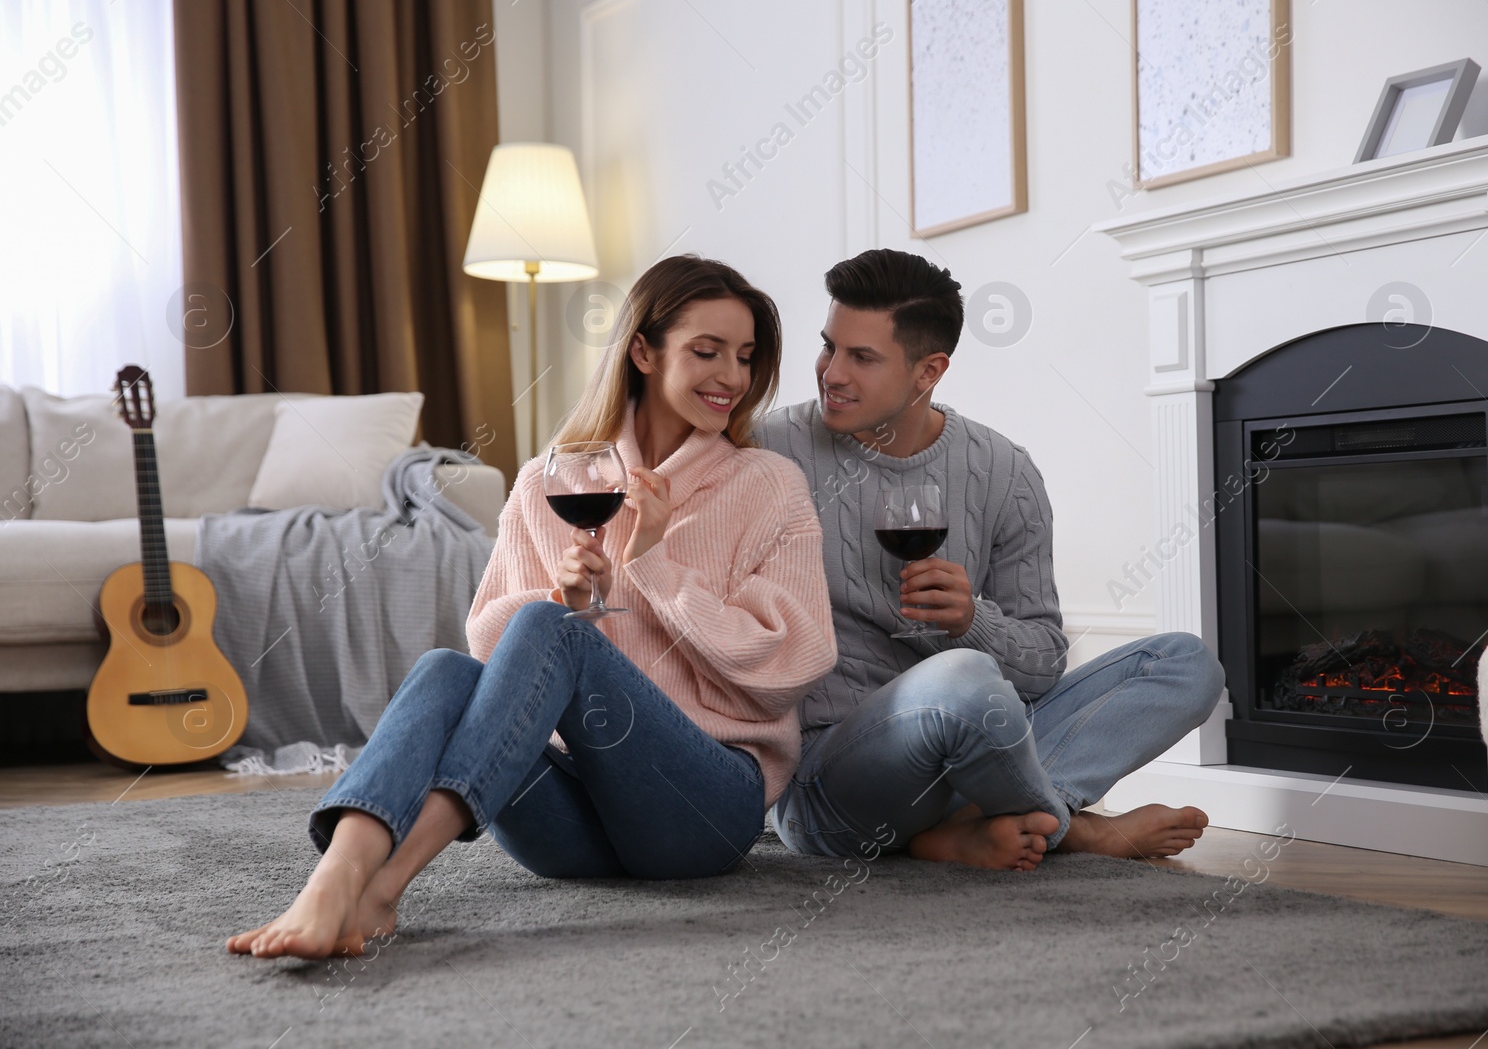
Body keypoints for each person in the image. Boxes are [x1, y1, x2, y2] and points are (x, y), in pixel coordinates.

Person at [227, 255, 837, 959]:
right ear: (642, 349)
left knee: (555, 630)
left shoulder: (769, 485)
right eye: (707, 351)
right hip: (572, 824)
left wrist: (653, 562)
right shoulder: (551, 479)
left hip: (700, 806)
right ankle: (335, 876)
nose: (731, 376)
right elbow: (490, 643)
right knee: (446, 670)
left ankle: (386, 883)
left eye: (745, 356)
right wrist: (564, 599)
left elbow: (794, 659)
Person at [754, 248, 1224, 872]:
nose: (831, 373)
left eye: (862, 357)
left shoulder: (1004, 471)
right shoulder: (765, 451)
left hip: (975, 739)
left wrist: (969, 620)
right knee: (963, 683)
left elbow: (1040, 667)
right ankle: (1072, 828)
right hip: (829, 775)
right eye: (829, 346)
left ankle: (963, 824)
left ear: (929, 372)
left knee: (1184, 662)